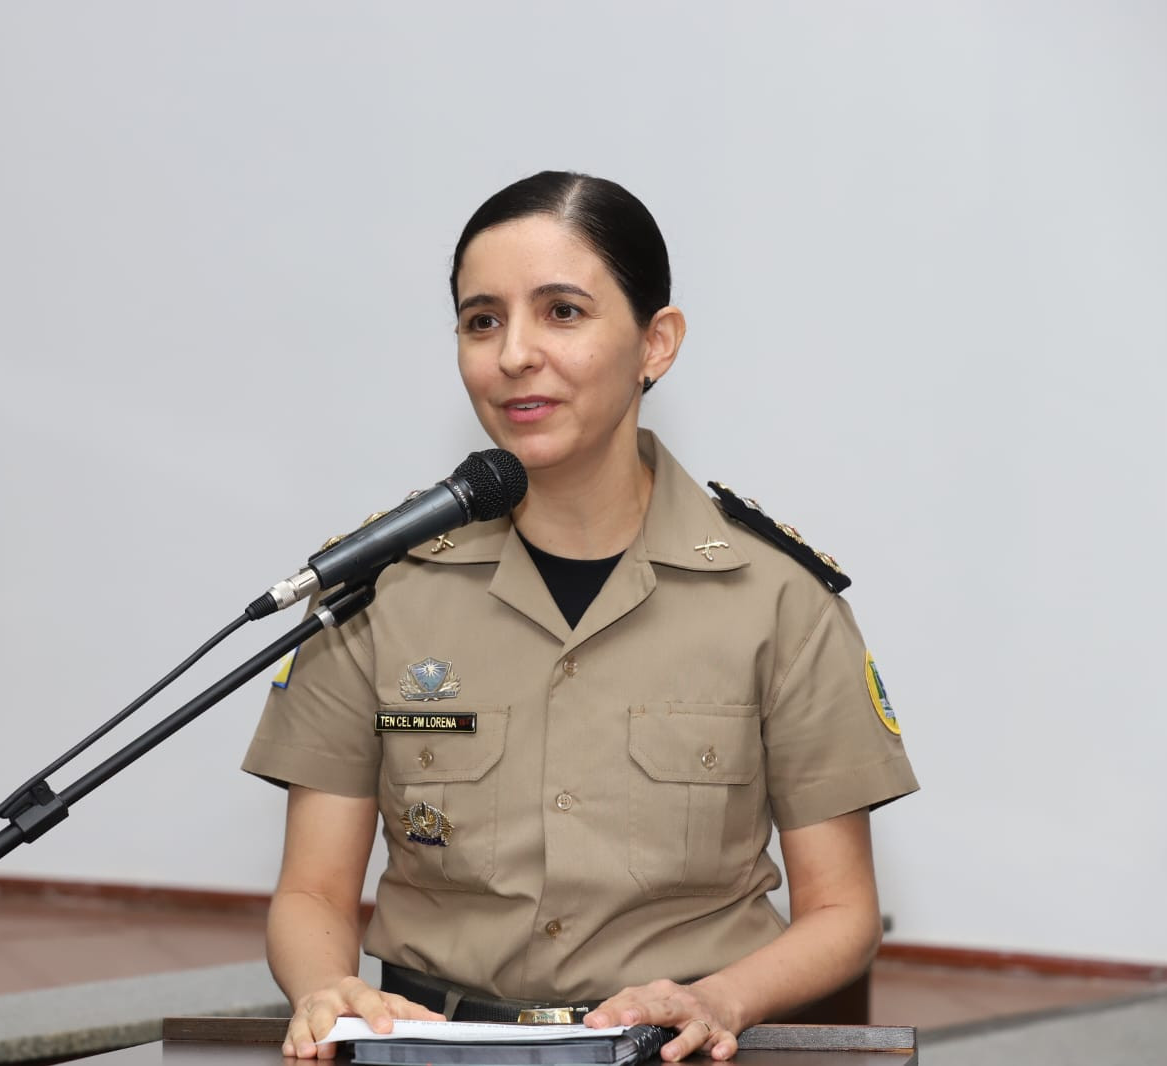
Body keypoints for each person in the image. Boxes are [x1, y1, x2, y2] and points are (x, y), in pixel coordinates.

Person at [242, 171, 917, 1062]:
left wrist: (717, 1000)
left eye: (562, 312)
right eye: (482, 321)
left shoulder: (778, 600)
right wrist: (325, 988)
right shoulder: (379, 591)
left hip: (674, 1051)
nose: (515, 354)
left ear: (655, 344)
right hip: (439, 1049)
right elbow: (312, 893)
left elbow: (842, 911)